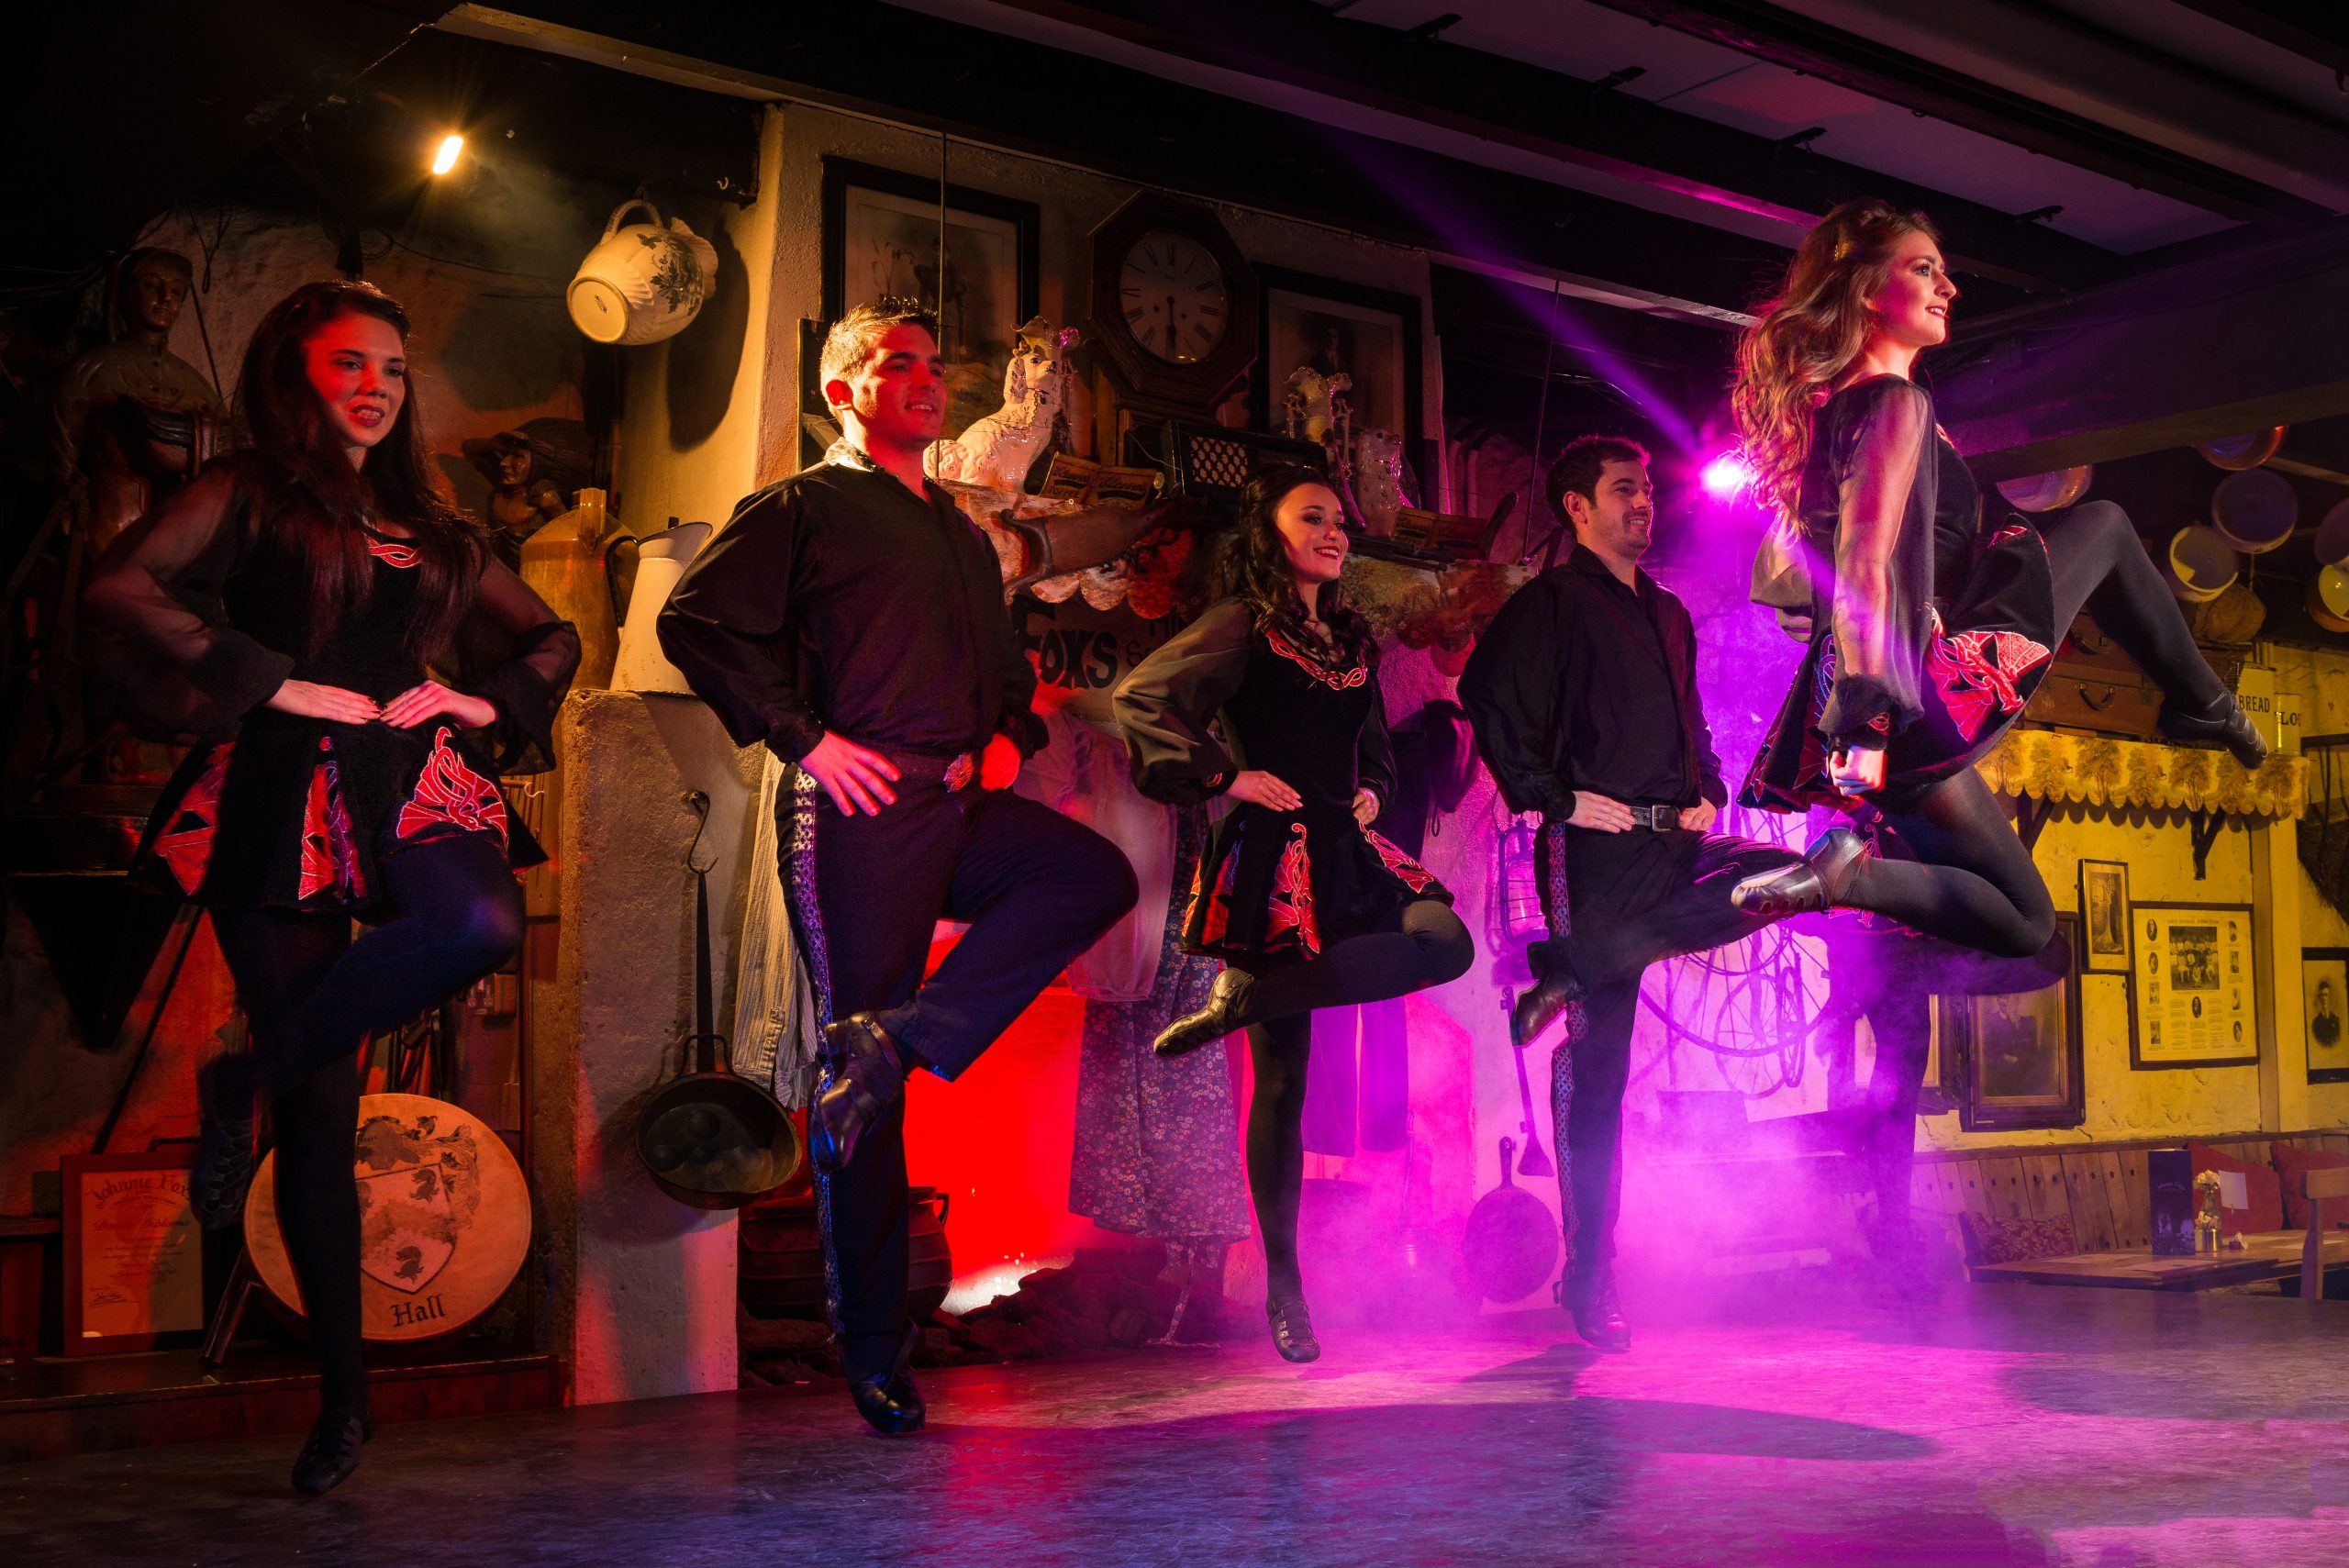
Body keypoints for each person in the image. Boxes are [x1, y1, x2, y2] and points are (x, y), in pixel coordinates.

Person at [83, 280, 580, 1494]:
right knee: (319, 1106)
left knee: (480, 919)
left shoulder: (435, 522)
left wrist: (477, 698)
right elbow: (119, 588)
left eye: (393, 368)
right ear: (296, 372)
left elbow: (550, 636)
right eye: (350, 362)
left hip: (410, 771)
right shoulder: (247, 490)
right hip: (277, 786)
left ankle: (237, 1076)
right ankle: (344, 1406)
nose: (376, 386)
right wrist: (273, 680)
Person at [658, 299, 1137, 1436]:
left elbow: (1006, 669)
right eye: (898, 363)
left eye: (934, 364)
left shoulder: (962, 535)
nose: (927, 379)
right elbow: (695, 622)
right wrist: (805, 741)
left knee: (1091, 877)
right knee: (862, 1102)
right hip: (855, 812)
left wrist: (1009, 735)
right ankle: (875, 1348)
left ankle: (899, 1042)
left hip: (957, 804)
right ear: (843, 389)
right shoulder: (802, 507)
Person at [1728, 200, 2266, 944]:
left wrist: (1855, 710)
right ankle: (2207, 705)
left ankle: (1848, 878)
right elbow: (1862, 567)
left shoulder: (1838, 413)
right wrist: (1867, 715)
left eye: (1943, 271)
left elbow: (1814, 591)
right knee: (2106, 526)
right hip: (1900, 693)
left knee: (2026, 921)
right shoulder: (1892, 404)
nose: (1948, 287)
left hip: (1871, 701)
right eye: (1924, 270)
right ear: (1867, 291)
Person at [1112, 465, 1474, 1362]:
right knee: (1284, 1083)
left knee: (1444, 941)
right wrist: (1227, 776)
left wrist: (1372, 789)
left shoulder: (1350, 637)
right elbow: (1140, 699)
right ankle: (1285, 1286)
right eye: (1313, 517)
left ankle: (1249, 999)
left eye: (1340, 520)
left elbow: (1374, 746)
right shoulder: (1243, 622)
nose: (1335, 531)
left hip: (1346, 847)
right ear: (1270, 534)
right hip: (1272, 856)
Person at [1458, 436, 1802, 1351]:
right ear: (1577, 507)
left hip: (1674, 840)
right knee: (1599, 1067)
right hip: (1594, 852)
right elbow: (1484, 693)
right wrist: (1555, 797)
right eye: (1623, 490)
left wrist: (1709, 785)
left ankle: (1575, 964)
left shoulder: (1668, 610)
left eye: (1647, 488)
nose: (1643, 502)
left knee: (1785, 878)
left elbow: (1691, 722)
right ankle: (1589, 1274)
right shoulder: (1552, 602)